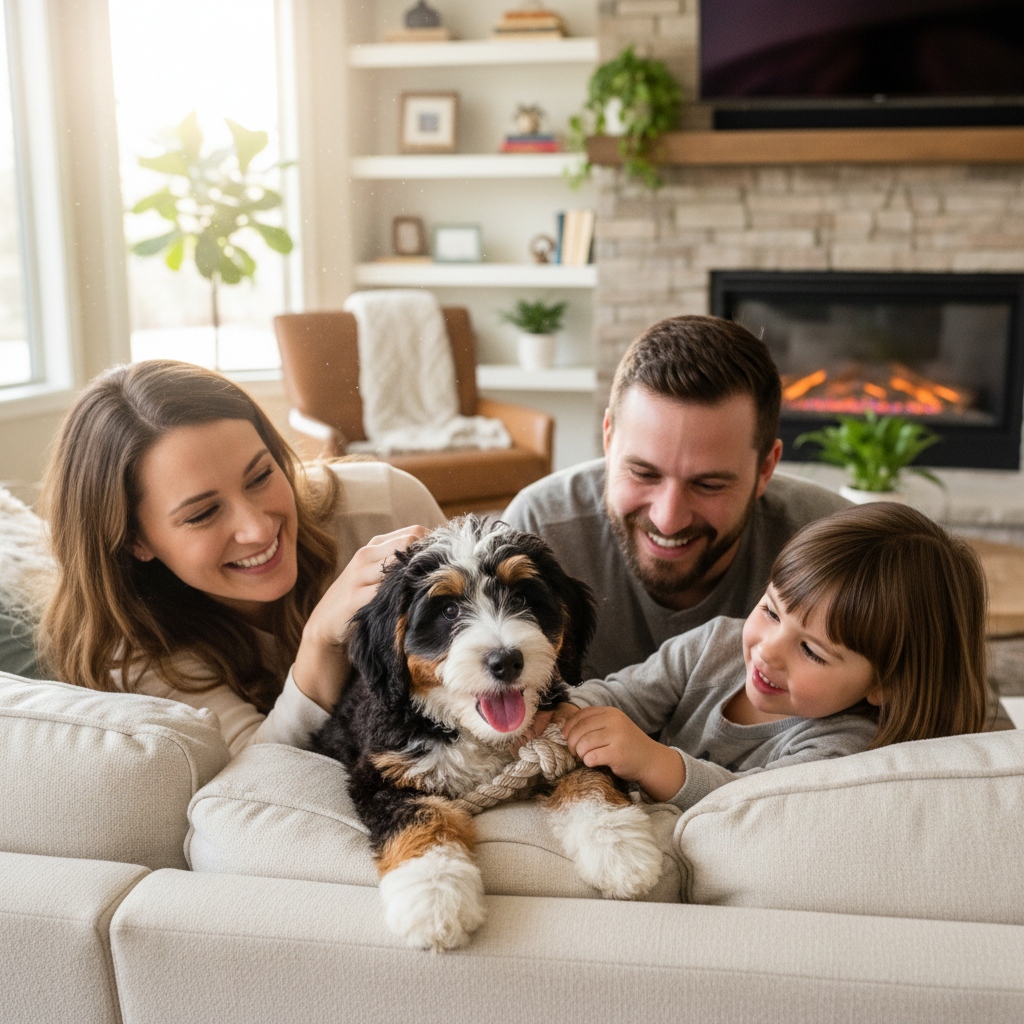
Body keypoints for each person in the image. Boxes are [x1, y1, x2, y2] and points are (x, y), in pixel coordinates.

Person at [36, 359, 447, 757]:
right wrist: (320, 642)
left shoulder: (388, 505)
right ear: (133, 541)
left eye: (261, 476)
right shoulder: (133, 649)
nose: (259, 529)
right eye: (203, 513)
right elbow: (243, 782)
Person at [549, 502, 990, 813]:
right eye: (771, 611)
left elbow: (753, 807)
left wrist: (651, 761)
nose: (768, 650)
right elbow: (621, 694)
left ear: (886, 683)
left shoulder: (846, 746)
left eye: (811, 651)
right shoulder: (715, 644)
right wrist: (565, 711)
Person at [503, 314, 850, 679]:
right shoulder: (538, 531)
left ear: (766, 468)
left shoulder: (838, 549)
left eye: (709, 485)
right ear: (608, 439)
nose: (667, 520)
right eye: (644, 473)